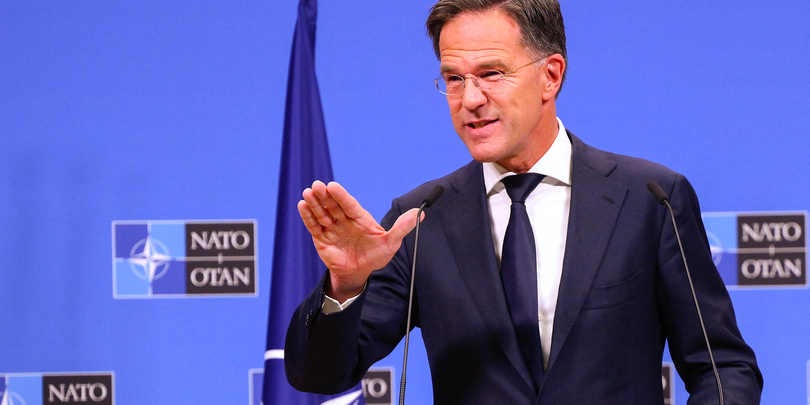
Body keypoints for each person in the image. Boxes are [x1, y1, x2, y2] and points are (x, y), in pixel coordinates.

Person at [285, 0, 763, 403]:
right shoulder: (421, 218)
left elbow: (722, 367)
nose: (470, 99)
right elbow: (318, 376)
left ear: (550, 76)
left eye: (491, 73)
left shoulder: (649, 199)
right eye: (453, 78)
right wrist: (345, 286)